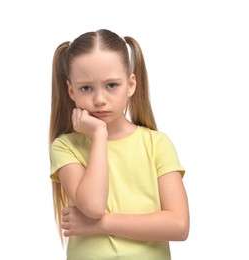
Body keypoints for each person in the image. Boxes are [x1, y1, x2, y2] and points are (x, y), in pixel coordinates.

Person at [49, 29, 189, 260]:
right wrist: (99, 136)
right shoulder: (65, 147)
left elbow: (179, 225)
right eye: (86, 88)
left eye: (111, 85)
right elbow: (92, 206)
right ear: (71, 91)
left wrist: (100, 225)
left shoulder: (157, 144)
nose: (99, 99)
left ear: (131, 84)